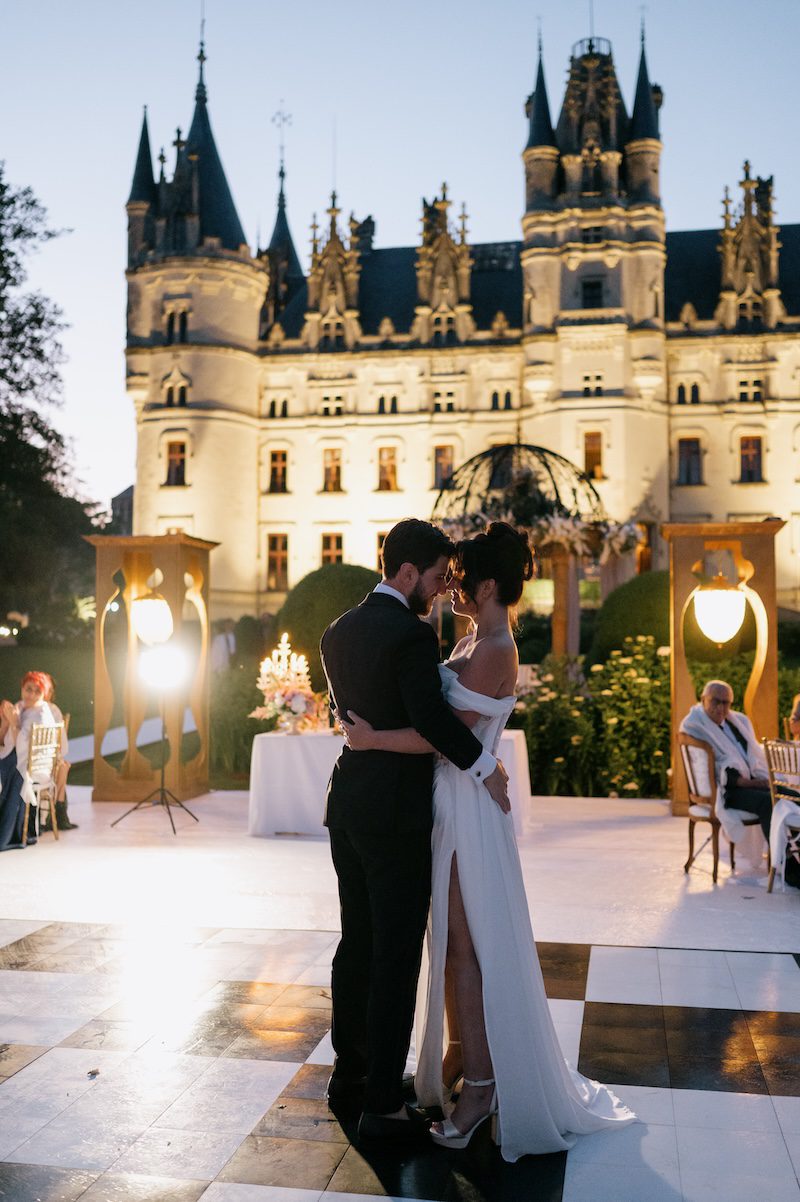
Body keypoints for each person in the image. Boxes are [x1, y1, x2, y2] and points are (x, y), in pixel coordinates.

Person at [343, 523, 635, 1160]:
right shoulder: (476, 637)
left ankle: (482, 1088)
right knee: (450, 945)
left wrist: (372, 740)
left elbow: (441, 735)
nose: (449, 586)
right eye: (444, 575)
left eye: (459, 577)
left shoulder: (497, 647)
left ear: (489, 585)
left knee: (465, 950)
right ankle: (459, 1055)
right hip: (452, 800)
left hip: (470, 809)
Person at [320, 518, 510, 1146]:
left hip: (346, 803)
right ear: (406, 574)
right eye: (432, 576)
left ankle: (349, 1077)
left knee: (356, 943)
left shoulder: (336, 631)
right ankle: (382, 1101)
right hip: (395, 813)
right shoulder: (410, 633)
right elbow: (431, 721)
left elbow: (344, 708)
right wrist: (485, 766)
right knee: (396, 954)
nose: (438, 587)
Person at [681, 680, 772, 840]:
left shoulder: (737, 722)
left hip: (751, 783)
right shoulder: (695, 725)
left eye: (726, 703)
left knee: (790, 796)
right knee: (768, 802)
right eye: (715, 701)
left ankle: (789, 853)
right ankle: (786, 863)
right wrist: (754, 783)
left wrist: (761, 779)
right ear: (703, 699)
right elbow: (715, 767)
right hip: (725, 792)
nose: (721, 708)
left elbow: (752, 753)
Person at [0, 671, 57, 849]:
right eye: (28, 689)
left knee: (7, 772)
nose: (31, 695)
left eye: (37, 691)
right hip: (15, 758)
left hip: (30, 764)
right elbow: (4, 741)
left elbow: (24, 747)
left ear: (44, 694)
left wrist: (15, 723)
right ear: (22, 689)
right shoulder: (20, 707)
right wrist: (7, 722)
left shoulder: (42, 714)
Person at [38, 673, 78, 831]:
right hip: (28, 760)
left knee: (62, 766)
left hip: (46, 759)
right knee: (61, 766)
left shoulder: (52, 710)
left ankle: (58, 813)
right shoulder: (24, 709)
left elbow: (62, 746)